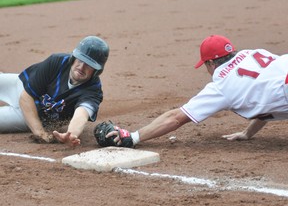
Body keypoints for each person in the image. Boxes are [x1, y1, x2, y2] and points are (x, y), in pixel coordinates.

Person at [107, 34, 288, 146]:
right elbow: (264, 90)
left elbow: (176, 118)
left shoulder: (221, 86)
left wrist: (134, 136)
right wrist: (248, 133)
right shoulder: (253, 53)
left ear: (210, 63)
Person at [0, 35, 109, 147]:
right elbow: (26, 96)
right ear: (74, 57)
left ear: (97, 70)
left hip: (30, 116)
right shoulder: (58, 62)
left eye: (89, 65)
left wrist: (71, 134)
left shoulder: (93, 91)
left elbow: (81, 115)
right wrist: (39, 132)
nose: (81, 67)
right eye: (80, 59)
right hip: (20, 86)